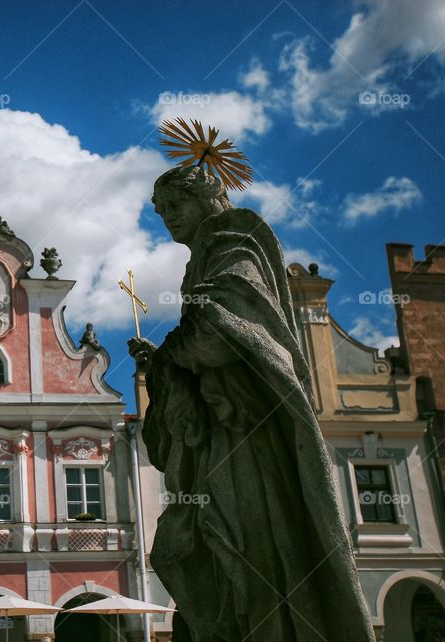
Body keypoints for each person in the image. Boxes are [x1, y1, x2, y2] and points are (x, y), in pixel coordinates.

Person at [128, 165, 374, 642]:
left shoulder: (234, 242)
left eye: (175, 204)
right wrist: (164, 362)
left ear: (208, 196)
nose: (168, 217)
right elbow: (207, 340)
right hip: (221, 434)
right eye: (161, 211)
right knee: (207, 550)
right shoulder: (203, 259)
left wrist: (176, 350)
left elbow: (223, 331)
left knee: (247, 551)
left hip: (247, 437)